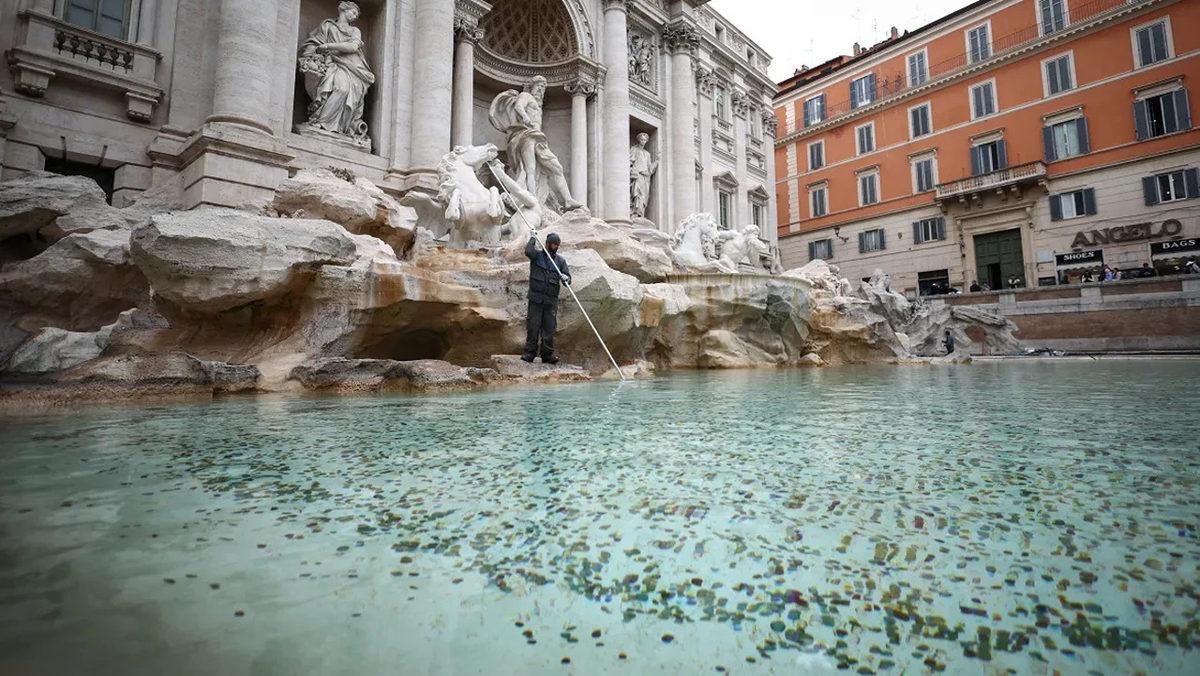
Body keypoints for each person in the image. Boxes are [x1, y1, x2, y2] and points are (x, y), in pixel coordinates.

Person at [523, 232, 571, 364]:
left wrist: (566, 278)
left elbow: (568, 279)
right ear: (547, 243)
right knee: (533, 327)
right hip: (536, 299)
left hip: (550, 302)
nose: (555, 246)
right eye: (553, 244)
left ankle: (547, 355)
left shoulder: (560, 262)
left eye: (557, 245)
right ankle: (529, 354)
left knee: (549, 328)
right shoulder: (537, 256)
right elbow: (528, 251)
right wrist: (532, 238)